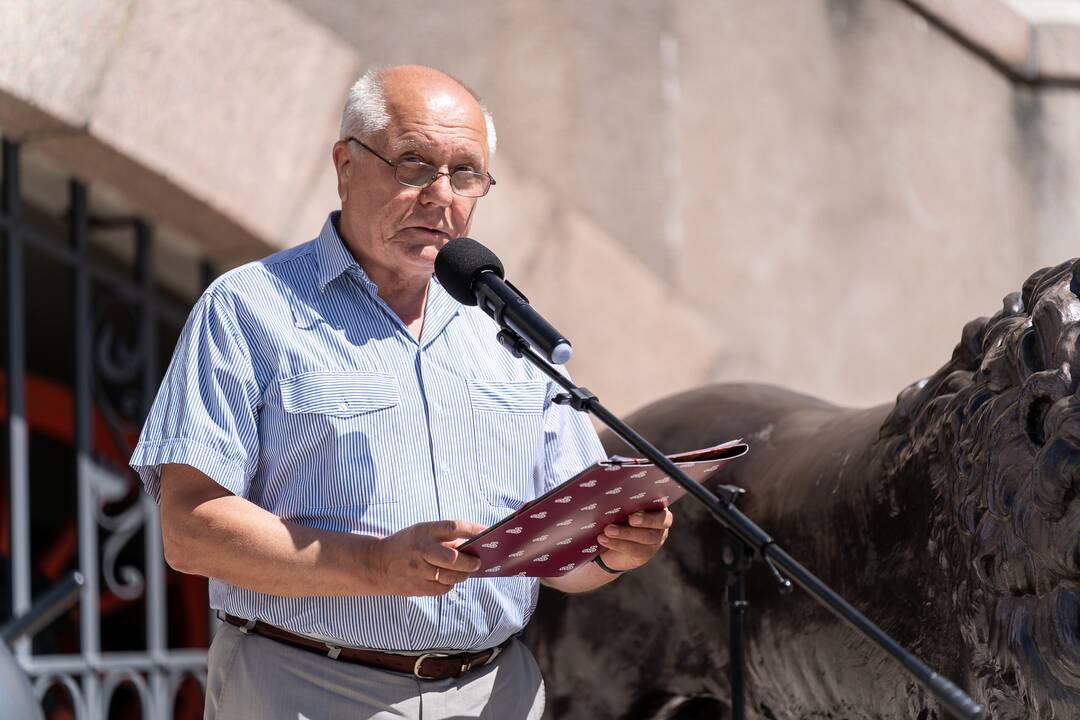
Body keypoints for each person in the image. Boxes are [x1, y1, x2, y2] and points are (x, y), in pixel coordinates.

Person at [130, 65, 673, 719]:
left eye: (465, 173)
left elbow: (563, 559)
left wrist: (611, 552)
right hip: (305, 688)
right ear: (346, 165)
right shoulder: (250, 308)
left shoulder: (508, 331)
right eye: (414, 164)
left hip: (495, 691)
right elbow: (190, 528)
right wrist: (373, 564)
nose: (440, 196)